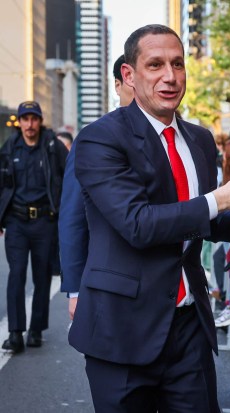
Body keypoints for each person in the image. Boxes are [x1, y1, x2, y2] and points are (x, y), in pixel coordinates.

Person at [68, 24, 230, 412]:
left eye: (178, 64)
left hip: (188, 329)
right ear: (129, 75)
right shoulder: (100, 138)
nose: (170, 76)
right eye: (156, 64)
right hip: (122, 329)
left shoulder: (198, 139)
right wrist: (221, 198)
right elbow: (138, 224)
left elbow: (195, 221)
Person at [60, 55, 135, 321]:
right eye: (131, 82)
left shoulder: (178, 138)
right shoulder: (93, 139)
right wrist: (74, 290)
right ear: (118, 85)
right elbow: (73, 217)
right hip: (109, 279)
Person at [0, 101, 68, 352]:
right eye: (25, 119)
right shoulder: (9, 147)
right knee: (16, 274)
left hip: (44, 221)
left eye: (34, 119)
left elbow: (71, 173)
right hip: (16, 221)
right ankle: (15, 333)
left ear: (40, 121)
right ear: (19, 121)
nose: (29, 124)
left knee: (41, 276)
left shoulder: (52, 146)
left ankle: (36, 330)